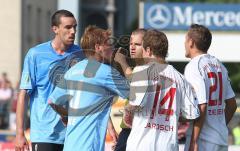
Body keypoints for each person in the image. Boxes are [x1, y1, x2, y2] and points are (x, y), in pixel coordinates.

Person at [48, 25, 130, 151]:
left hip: (70, 145)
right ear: (98, 48)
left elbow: (52, 101)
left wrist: (65, 116)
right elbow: (133, 94)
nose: (113, 48)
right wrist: (123, 63)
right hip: (89, 146)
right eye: (109, 44)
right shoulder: (105, 71)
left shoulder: (73, 70)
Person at [15, 10, 84, 151]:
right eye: (68, 27)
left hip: (73, 133)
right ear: (55, 29)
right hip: (44, 135)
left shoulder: (81, 55)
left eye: (75, 27)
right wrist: (19, 134)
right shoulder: (35, 55)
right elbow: (23, 95)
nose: (73, 31)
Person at [125, 29, 200, 151]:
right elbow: (192, 115)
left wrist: (127, 111)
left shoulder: (141, 71)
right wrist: (173, 115)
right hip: (168, 146)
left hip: (141, 145)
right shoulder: (181, 78)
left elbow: (136, 104)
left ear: (148, 50)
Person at [183, 24, 237, 151]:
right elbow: (232, 105)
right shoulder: (219, 65)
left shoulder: (194, 66)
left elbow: (202, 104)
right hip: (221, 140)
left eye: (185, 40)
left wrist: (194, 141)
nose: (184, 44)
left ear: (191, 42)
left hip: (203, 140)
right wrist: (218, 126)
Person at [114, 28, 146, 151]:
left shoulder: (147, 66)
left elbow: (135, 86)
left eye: (137, 44)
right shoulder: (136, 66)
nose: (132, 47)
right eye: (131, 44)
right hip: (128, 129)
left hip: (137, 129)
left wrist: (122, 62)